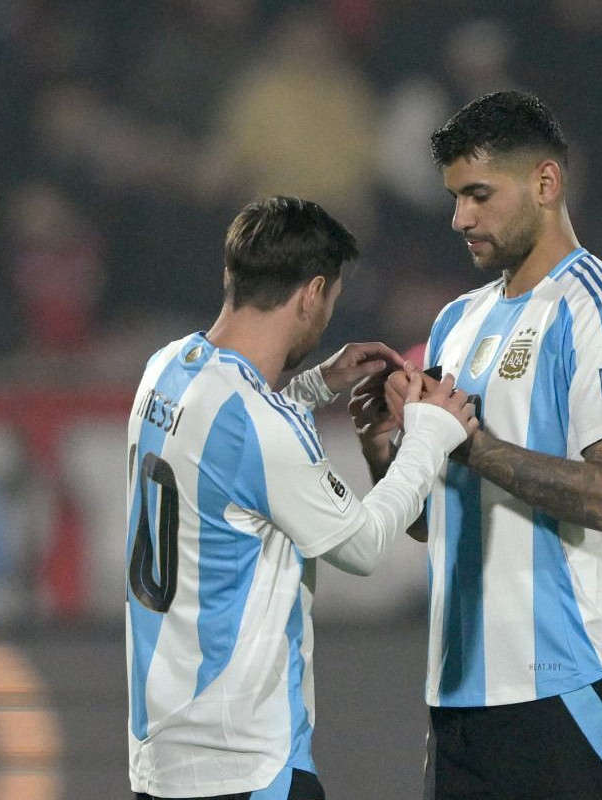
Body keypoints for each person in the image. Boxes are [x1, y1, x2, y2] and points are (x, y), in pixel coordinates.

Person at [124, 196, 478, 800]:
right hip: (246, 765)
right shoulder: (263, 428)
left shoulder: (166, 368)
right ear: (313, 292)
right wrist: (429, 434)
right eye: (331, 301)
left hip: (159, 762)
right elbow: (362, 545)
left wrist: (314, 384)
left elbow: (228, 445)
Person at [355, 91, 602, 799]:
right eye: (456, 198)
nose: (461, 217)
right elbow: (437, 519)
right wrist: (385, 447)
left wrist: (473, 446)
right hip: (459, 698)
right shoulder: (459, 319)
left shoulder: (598, 310)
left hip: (563, 683)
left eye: (480, 195)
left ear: (546, 184)